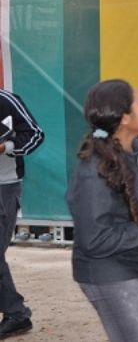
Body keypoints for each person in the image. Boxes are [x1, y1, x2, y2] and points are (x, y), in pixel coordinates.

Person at [67, 80, 138, 342]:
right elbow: (96, 240)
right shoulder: (92, 172)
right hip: (106, 270)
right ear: (125, 118)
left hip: (136, 260)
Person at [0, 89, 44, 338]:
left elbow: (35, 134)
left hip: (3, 188)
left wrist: (6, 146)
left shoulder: (7, 100)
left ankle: (17, 314)